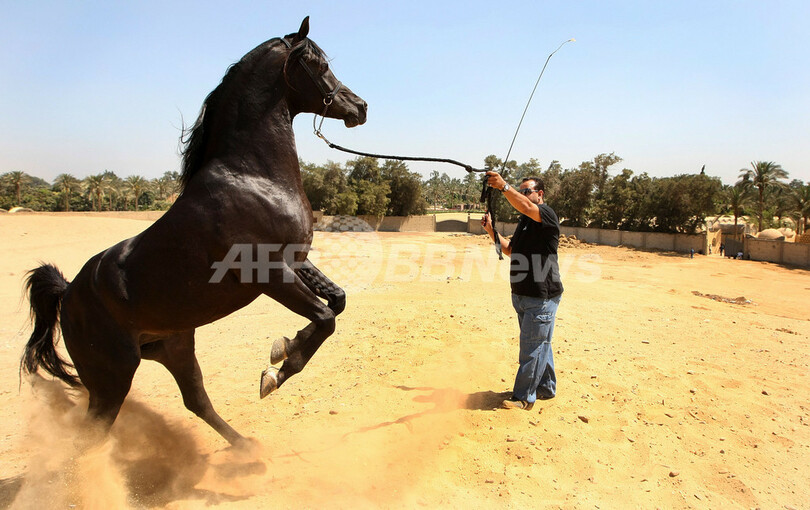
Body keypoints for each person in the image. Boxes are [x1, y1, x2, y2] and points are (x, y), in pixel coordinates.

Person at [481, 172, 563, 410]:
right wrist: (491, 231)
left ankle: (524, 398)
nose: (524, 194)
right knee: (539, 343)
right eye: (522, 190)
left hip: (541, 296)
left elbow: (525, 205)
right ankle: (545, 387)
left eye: (527, 190)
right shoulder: (525, 221)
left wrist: (503, 186)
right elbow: (510, 250)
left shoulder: (545, 214)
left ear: (540, 194)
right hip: (523, 295)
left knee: (532, 347)